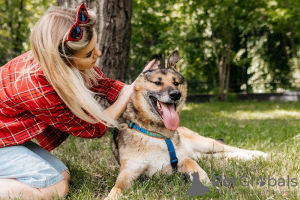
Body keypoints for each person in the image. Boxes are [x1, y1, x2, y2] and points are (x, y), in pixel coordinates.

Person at [0, 4, 154, 200]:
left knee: (63, 176)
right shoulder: (40, 90)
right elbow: (93, 127)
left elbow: (106, 86)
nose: (98, 54)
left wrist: (141, 86)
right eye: (89, 54)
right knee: (56, 189)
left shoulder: (52, 60)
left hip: (5, 140)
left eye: (95, 46)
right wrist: (128, 92)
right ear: (64, 61)